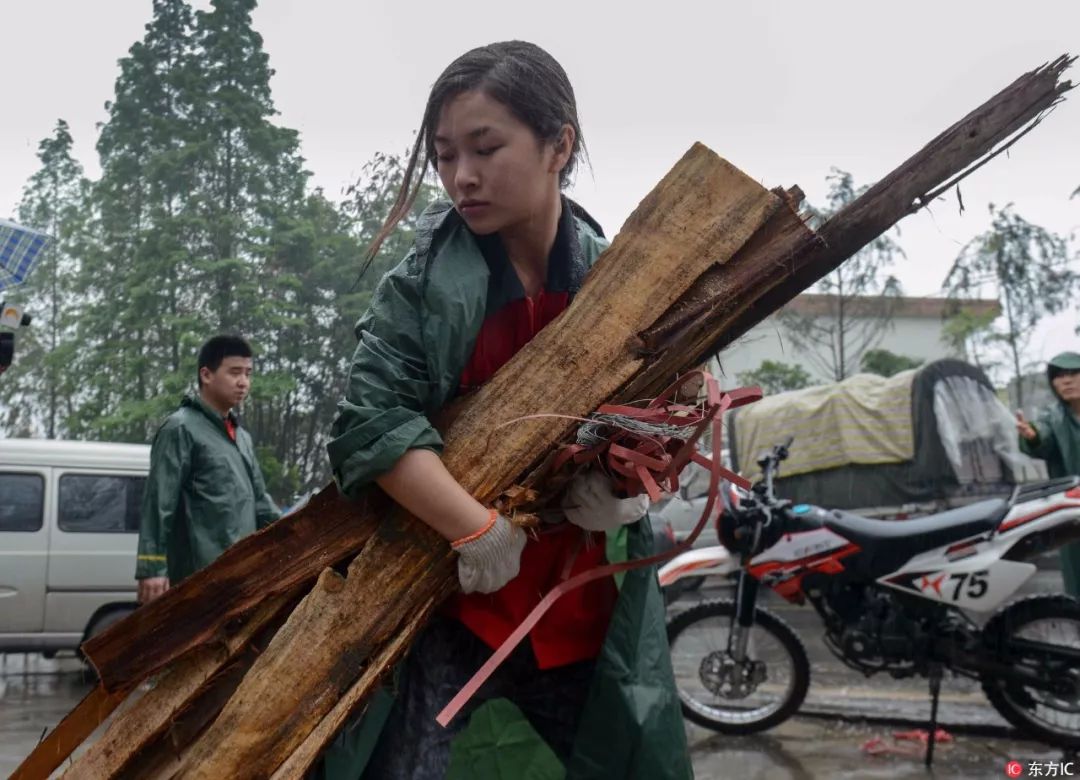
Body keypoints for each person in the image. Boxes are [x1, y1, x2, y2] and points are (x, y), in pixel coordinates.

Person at [323, 41, 691, 780]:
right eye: (445, 155)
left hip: (574, 600)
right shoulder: (422, 283)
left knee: (624, 758)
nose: (462, 176)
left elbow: (670, 417)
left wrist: (619, 495)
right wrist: (476, 529)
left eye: (486, 148)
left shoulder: (622, 279)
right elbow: (372, 419)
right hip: (454, 600)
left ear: (560, 145)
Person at [136, 334, 281, 603]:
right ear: (206, 374)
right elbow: (159, 501)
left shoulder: (242, 437)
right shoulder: (180, 428)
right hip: (197, 578)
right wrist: (152, 568)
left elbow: (261, 504)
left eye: (248, 373)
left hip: (242, 575)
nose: (244, 382)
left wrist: (300, 532)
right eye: (234, 372)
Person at [1016, 350, 1080, 596]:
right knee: (1076, 570)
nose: (1066, 381)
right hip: (1073, 509)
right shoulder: (1052, 417)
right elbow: (1042, 438)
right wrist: (1033, 436)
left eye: (1073, 373)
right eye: (1059, 376)